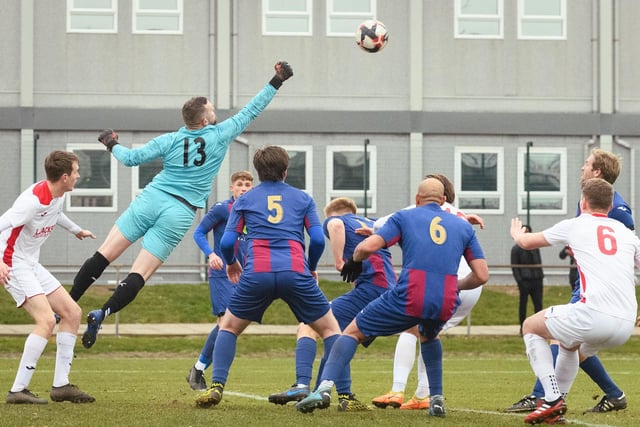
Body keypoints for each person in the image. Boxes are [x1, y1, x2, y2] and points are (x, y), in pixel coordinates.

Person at [67, 61, 294, 349]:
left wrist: (111, 143)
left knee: (104, 255)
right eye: (210, 109)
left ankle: (66, 304)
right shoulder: (220, 134)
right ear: (202, 121)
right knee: (140, 272)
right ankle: (103, 313)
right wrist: (277, 80)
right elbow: (252, 109)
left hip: (151, 198)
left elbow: (130, 159)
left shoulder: (172, 139)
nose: (214, 111)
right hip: (180, 211)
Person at [295, 177, 489, 418]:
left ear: (417, 199)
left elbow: (367, 247)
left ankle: (324, 389)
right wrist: (453, 284)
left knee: (352, 332)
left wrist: (354, 260)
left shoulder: (405, 216)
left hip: (409, 294)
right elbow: (482, 275)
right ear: (444, 200)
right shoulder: (462, 226)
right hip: (445, 298)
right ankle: (436, 400)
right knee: (429, 336)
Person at [194, 145, 342, 408]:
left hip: (257, 272)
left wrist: (231, 264)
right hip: (295, 270)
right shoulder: (303, 198)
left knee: (228, 327)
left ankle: (216, 386)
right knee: (331, 330)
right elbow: (318, 239)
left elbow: (227, 242)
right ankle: (325, 388)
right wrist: (311, 266)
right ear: (286, 171)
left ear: (258, 173)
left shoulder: (244, 200)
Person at [506, 148, 632, 415]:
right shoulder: (621, 229)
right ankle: (558, 399)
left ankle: (548, 397)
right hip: (623, 318)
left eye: (586, 164)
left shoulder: (613, 214)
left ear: (586, 202)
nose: (582, 167)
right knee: (569, 344)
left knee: (533, 326)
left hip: (596, 302)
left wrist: (518, 234)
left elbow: (528, 242)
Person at [268, 196, 396, 411]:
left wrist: (339, 261)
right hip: (388, 291)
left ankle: (301, 385)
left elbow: (335, 225)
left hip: (371, 289)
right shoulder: (373, 223)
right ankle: (334, 394)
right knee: (341, 337)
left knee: (309, 325)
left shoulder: (338, 220)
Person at [370, 173, 485, 411]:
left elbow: (380, 225)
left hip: (439, 281)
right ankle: (423, 394)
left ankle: (397, 389)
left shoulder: (418, 209)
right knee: (429, 332)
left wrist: (372, 232)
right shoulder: (459, 216)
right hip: (469, 285)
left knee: (411, 327)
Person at [0, 150, 96, 404]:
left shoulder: (57, 194)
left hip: (31, 263)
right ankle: (17, 391)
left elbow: (55, 214)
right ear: (64, 177)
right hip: (13, 264)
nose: (78, 175)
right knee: (46, 321)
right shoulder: (31, 201)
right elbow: (3, 224)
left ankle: (61, 386)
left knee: (72, 313)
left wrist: (76, 230)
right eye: (75, 171)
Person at [185, 171, 254, 391]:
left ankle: (198, 369)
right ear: (232, 188)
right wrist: (211, 254)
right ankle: (200, 372)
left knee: (233, 325)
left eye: (248, 184)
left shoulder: (254, 212)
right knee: (226, 322)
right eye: (240, 184)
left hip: (245, 275)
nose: (244, 188)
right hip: (223, 273)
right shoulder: (223, 208)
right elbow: (199, 232)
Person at [510, 224, 544, 336]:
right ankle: (522, 328)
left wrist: (540, 276)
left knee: (538, 305)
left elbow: (538, 262)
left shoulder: (535, 248)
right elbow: (514, 267)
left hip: (536, 280)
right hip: (524, 281)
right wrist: (520, 281)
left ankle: (539, 329)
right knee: (523, 305)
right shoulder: (516, 249)